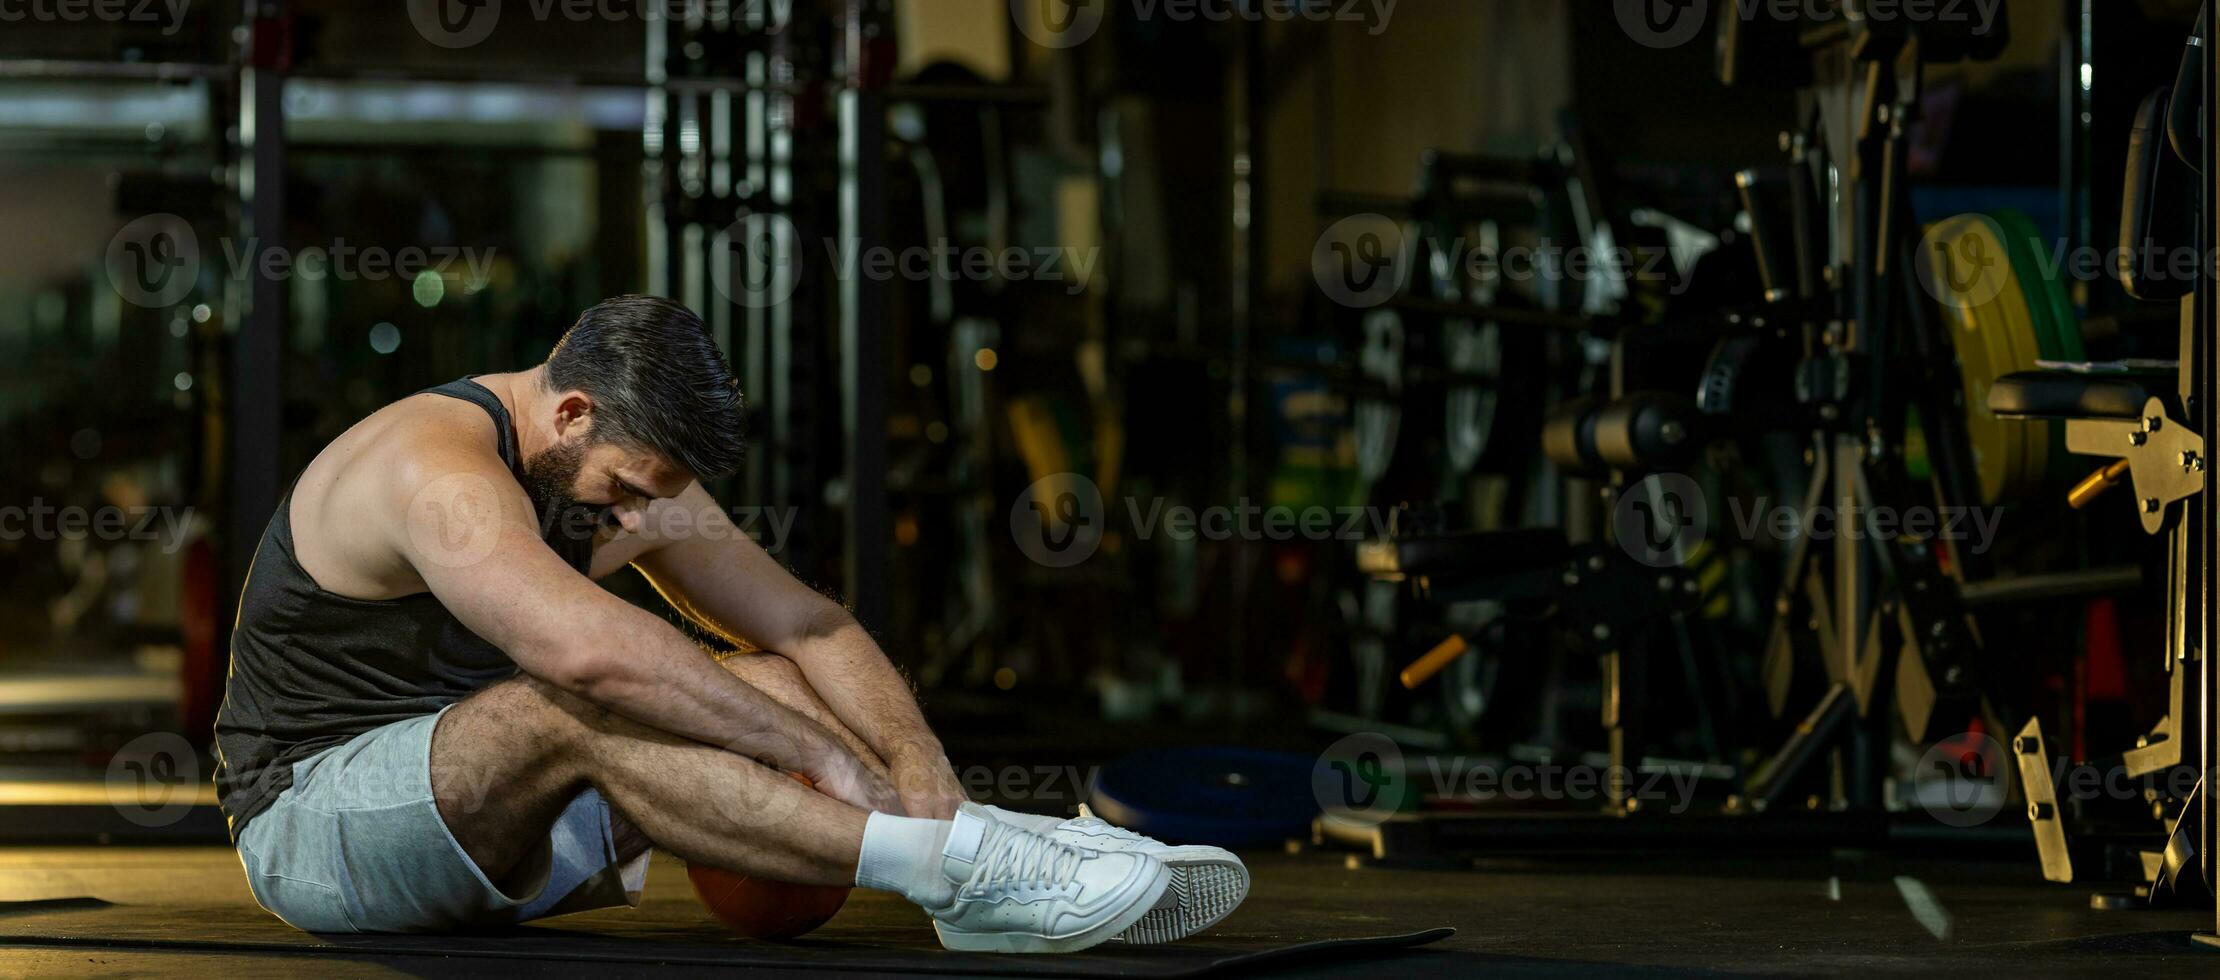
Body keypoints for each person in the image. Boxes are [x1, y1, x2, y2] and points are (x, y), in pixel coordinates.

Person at [212, 295, 1247, 952]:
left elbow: (806, 621)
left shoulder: (614, 471)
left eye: (651, 498)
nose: (632, 519)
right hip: (316, 827)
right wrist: (814, 758)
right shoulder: (435, 467)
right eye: (623, 491)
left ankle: (965, 866)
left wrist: (917, 763)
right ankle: (972, 864)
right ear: (572, 411)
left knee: (772, 675)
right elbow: (582, 653)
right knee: (579, 694)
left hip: (488, 830)